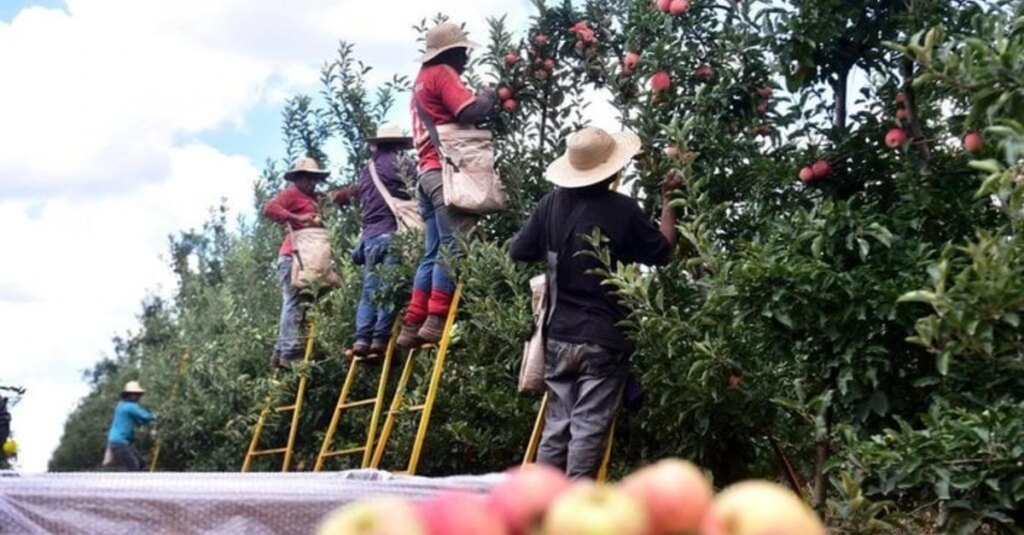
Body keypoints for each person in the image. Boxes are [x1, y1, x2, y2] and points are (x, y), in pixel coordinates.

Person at [508, 126, 682, 479]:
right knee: (588, 426)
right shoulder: (621, 209)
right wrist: (670, 203)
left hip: (559, 335)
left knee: (558, 425)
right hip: (603, 336)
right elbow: (663, 251)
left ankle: (541, 504)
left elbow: (518, 250)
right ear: (613, 169)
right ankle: (575, 511)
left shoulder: (551, 204)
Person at [397, 21, 498, 348]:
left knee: (432, 251)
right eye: (463, 52)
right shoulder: (442, 74)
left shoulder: (419, 83)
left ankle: (413, 323)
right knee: (453, 249)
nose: (466, 58)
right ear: (451, 52)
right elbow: (471, 110)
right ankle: (437, 318)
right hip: (447, 174)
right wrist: (491, 94)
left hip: (426, 177)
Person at [339, 124, 418, 357]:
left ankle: (362, 339)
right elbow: (418, 187)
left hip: (370, 238)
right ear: (397, 144)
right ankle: (380, 339)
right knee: (391, 287)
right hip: (393, 233)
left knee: (370, 290)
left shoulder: (366, 170)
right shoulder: (401, 164)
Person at [262, 157, 343, 369]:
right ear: (298, 178)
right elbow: (270, 208)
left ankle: (281, 351)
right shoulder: (291, 195)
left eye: (314, 178)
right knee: (293, 300)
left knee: (307, 299)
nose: (311, 182)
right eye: (307, 177)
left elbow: (337, 196)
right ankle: (288, 351)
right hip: (293, 257)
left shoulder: (317, 198)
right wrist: (296, 218)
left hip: (308, 259)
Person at [106, 381, 155, 471]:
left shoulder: (122, 405)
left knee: (141, 464)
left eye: (139, 394)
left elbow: (139, 421)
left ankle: (134, 483)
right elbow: (145, 417)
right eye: (136, 394)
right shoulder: (130, 406)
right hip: (120, 442)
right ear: (130, 394)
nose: (138, 397)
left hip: (122, 442)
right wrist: (158, 416)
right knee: (134, 466)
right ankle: (130, 484)